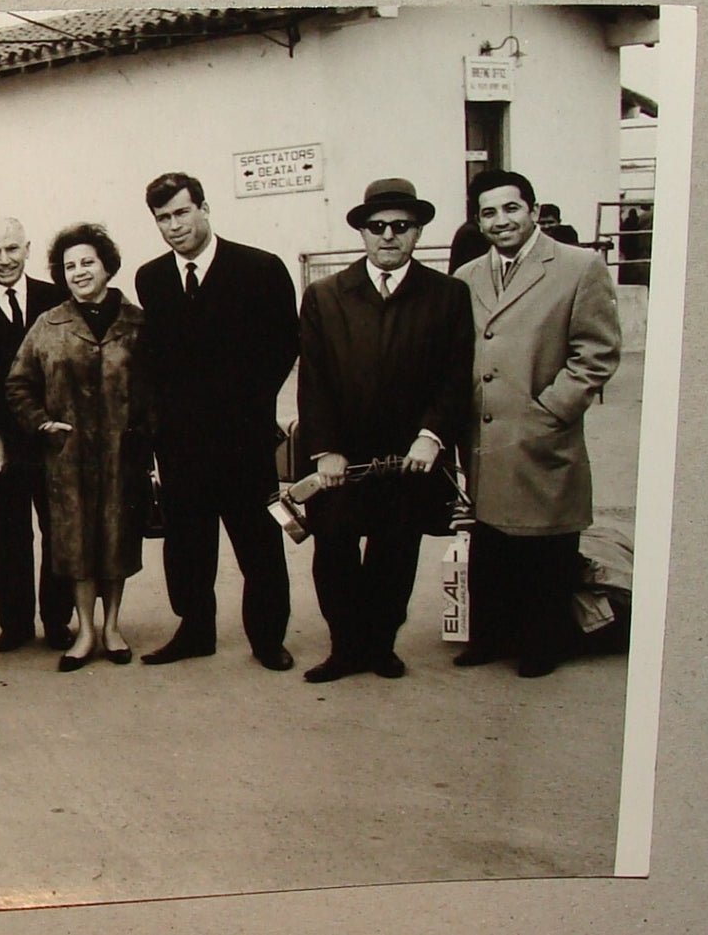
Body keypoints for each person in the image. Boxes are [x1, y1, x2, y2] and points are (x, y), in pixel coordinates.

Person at [297, 179, 475, 683]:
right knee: (333, 550)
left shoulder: (447, 295)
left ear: (418, 233)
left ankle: (380, 645)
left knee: (394, 554)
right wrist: (325, 449)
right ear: (362, 233)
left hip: (407, 455)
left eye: (402, 227)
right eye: (378, 227)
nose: (389, 237)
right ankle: (344, 647)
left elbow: (453, 376)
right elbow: (314, 379)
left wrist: (431, 435)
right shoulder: (326, 295)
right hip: (343, 459)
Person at [452, 170, 621, 677]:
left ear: (532, 210)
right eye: (488, 212)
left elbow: (597, 351)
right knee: (491, 540)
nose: (500, 221)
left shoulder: (577, 267)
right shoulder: (467, 276)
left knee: (545, 545)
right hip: (483, 434)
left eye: (510, 208)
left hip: (542, 431)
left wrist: (551, 411)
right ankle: (490, 636)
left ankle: (542, 644)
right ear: (477, 221)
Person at [133, 172, 297, 671]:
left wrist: (246, 411)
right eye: (163, 218)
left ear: (204, 208)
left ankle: (268, 639)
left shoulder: (260, 268)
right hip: (181, 446)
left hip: (244, 441)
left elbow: (284, 345)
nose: (174, 226)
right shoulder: (152, 278)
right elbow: (156, 359)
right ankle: (195, 630)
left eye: (182, 213)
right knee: (187, 547)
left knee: (259, 544)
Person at [6, 223, 155, 672]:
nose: (79, 272)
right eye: (69, 266)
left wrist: (143, 435)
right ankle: (85, 629)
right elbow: (18, 384)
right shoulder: (48, 325)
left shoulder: (137, 323)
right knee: (75, 544)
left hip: (121, 457)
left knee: (116, 541)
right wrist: (41, 423)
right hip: (67, 459)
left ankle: (112, 627)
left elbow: (155, 388)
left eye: (87, 261)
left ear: (107, 264)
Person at [0, 218, 76, 653]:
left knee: (59, 530)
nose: (4, 259)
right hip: (1, 445)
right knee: (7, 537)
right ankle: (16, 623)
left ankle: (57, 620)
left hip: (51, 439)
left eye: (12, 249)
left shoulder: (56, 298)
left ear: (27, 249)